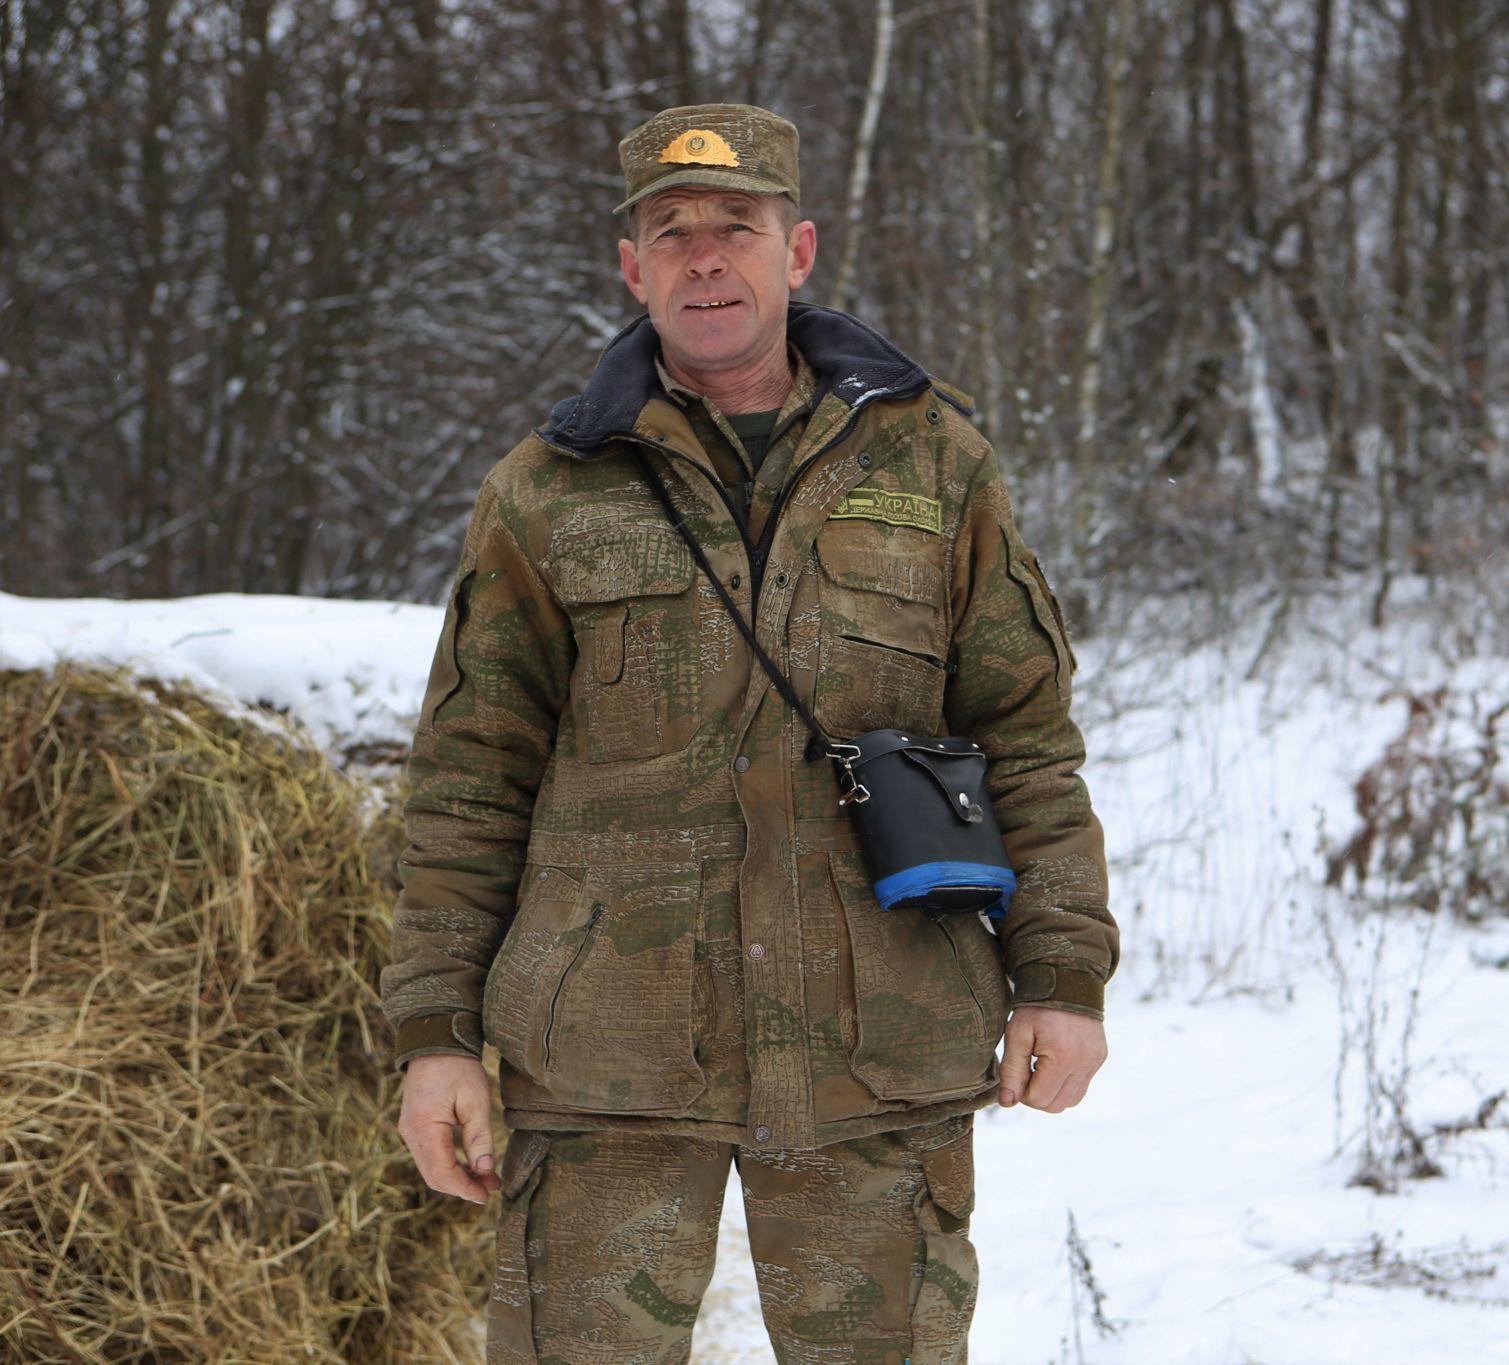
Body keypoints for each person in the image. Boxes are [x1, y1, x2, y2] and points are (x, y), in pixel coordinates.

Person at [378, 101, 1117, 1362]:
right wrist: (434, 1037)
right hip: (606, 1061)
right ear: (632, 266)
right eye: (671, 232)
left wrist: (1061, 977)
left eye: (738, 226)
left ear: (800, 250)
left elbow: (1026, 739)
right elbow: (467, 779)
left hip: (875, 1054)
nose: (704, 256)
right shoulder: (547, 487)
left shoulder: (937, 465)